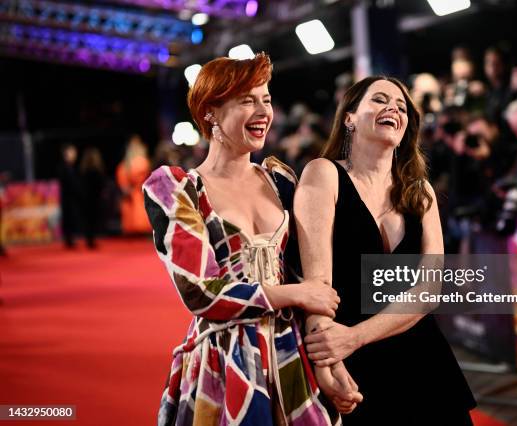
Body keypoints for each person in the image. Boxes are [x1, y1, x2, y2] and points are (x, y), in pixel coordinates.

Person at [142, 53, 359, 426]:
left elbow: (311, 275)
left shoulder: (281, 181)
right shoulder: (178, 189)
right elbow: (201, 291)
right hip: (226, 362)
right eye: (247, 100)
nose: (263, 112)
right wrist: (294, 294)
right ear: (210, 111)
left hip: (294, 358)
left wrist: (329, 363)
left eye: (267, 99)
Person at [294, 76, 476, 424]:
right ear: (349, 117)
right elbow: (317, 287)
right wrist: (328, 362)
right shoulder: (323, 174)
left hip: (423, 357)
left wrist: (355, 338)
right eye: (379, 99)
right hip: (354, 366)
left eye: (402, 106)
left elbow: (430, 289)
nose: (393, 107)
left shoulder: (420, 191)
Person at [116, 134, 151, 235]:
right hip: (137, 192)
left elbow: (122, 174)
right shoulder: (141, 161)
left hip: (134, 192)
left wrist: (125, 187)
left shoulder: (126, 163)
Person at [79, 147, 106, 249]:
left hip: (86, 199)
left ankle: (89, 239)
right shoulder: (97, 171)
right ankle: (91, 239)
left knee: (88, 220)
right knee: (93, 220)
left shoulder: (83, 170)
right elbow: (101, 185)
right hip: (95, 199)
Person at [58, 143, 82, 248]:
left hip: (70, 197)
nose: (75, 154)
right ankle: (68, 239)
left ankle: (70, 238)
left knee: (71, 218)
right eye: (72, 152)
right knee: (68, 218)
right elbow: (69, 183)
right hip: (67, 197)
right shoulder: (64, 167)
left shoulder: (70, 167)